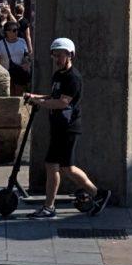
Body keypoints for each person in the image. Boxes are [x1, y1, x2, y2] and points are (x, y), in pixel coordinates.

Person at [32, 36, 108, 218]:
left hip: (68, 128)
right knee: (55, 166)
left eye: (60, 55)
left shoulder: (73, 78)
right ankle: (50, 206)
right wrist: (34, 96)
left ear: (70, 55)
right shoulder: (58, 75)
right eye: (55, 55)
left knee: (65, 167)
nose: (57, 59)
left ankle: (97, 194)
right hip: (58, 127)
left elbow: (62, 102)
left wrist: (39, 102)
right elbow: (54, 97)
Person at [0, 17, 33, 92]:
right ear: (7, 32)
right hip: (7, 75)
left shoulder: (22, 41)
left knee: (20, 92)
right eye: (14, 30)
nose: (16, 32)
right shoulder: (0, 44)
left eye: (17, 30)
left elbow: (26, 55)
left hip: (20, 72)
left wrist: (27, 63)